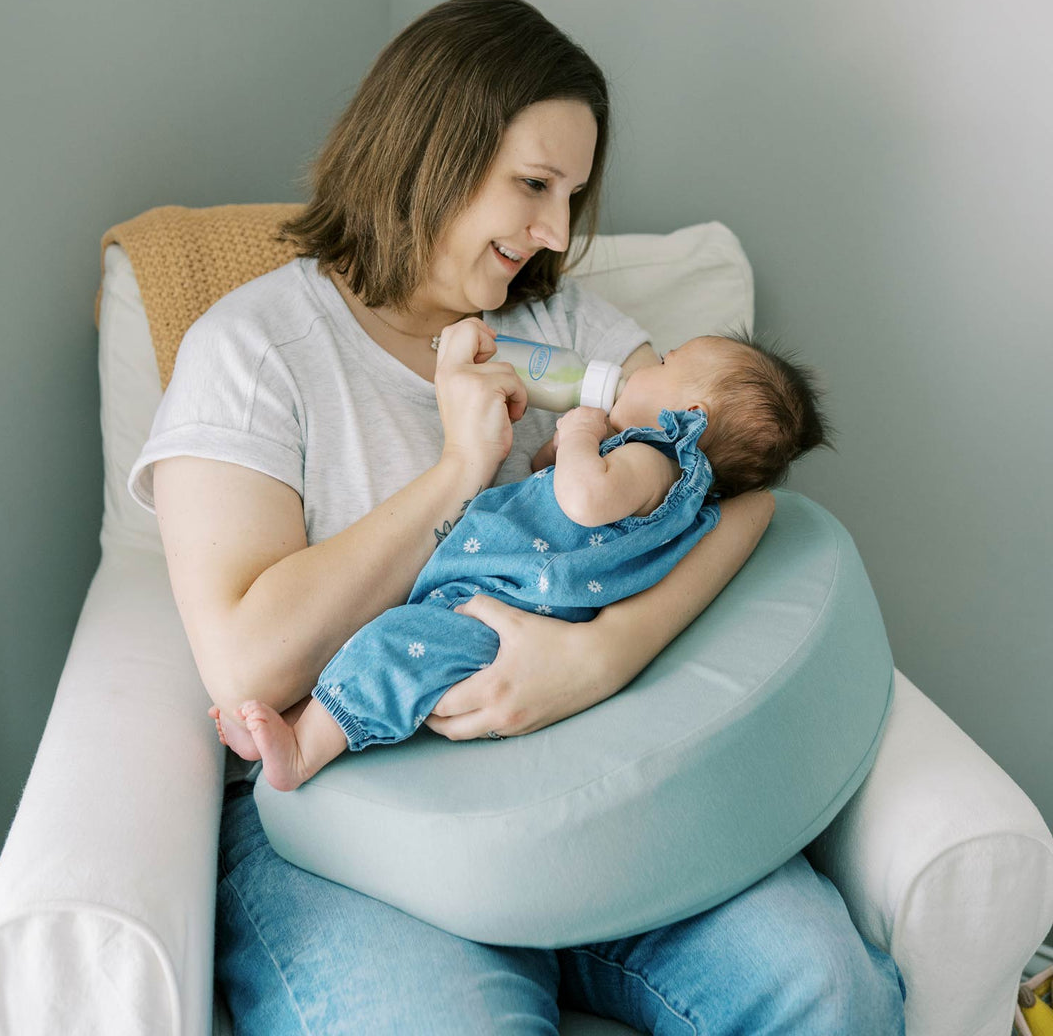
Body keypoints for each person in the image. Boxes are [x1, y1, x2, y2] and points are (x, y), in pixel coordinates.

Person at [133, 0, 906, 1036]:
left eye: (571, 193)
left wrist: (601, 658)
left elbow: (739, 499)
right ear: (425, 153)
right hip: (356, 823)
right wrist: (459, 470)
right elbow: (248, 666)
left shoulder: (571, 326)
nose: (554, 231)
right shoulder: (257, 351)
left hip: (585, 781)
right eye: (531, 184)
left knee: (829, 987)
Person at [226, 330, 830, 792]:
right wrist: (568, 445)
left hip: (504, 607)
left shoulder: (657, 459)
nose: (648, 365)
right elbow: (556, 481)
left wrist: (578, 435)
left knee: (393, 648)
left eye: (666, 365)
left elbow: (584, 496)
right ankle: (302, 720)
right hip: (510, 600)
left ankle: (302, 752)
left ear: (690, 418)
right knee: (392, 652)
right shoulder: (664, 483)